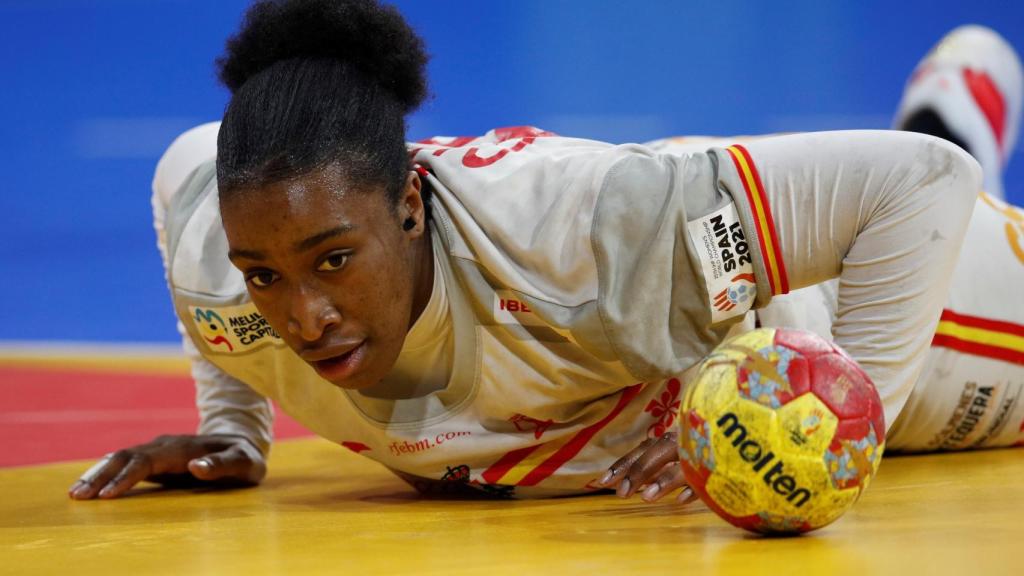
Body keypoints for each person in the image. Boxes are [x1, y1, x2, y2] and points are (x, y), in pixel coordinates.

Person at [68, 0, 980, 501]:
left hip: (879, 321)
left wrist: (829, 422)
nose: (304, 316)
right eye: (266, 274)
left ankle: (963, 115)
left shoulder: (573, 233)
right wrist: (236, 429)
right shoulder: (223, 252)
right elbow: (182, 166)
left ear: (411, 202)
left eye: (335, 260)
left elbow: (917, 186)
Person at [603, 24, 1024, 505]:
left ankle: (930, 173)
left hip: (798, 298)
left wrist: (805, 423)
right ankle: (938, 161)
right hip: (693, 192)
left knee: (910, 197)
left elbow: (936, 180)